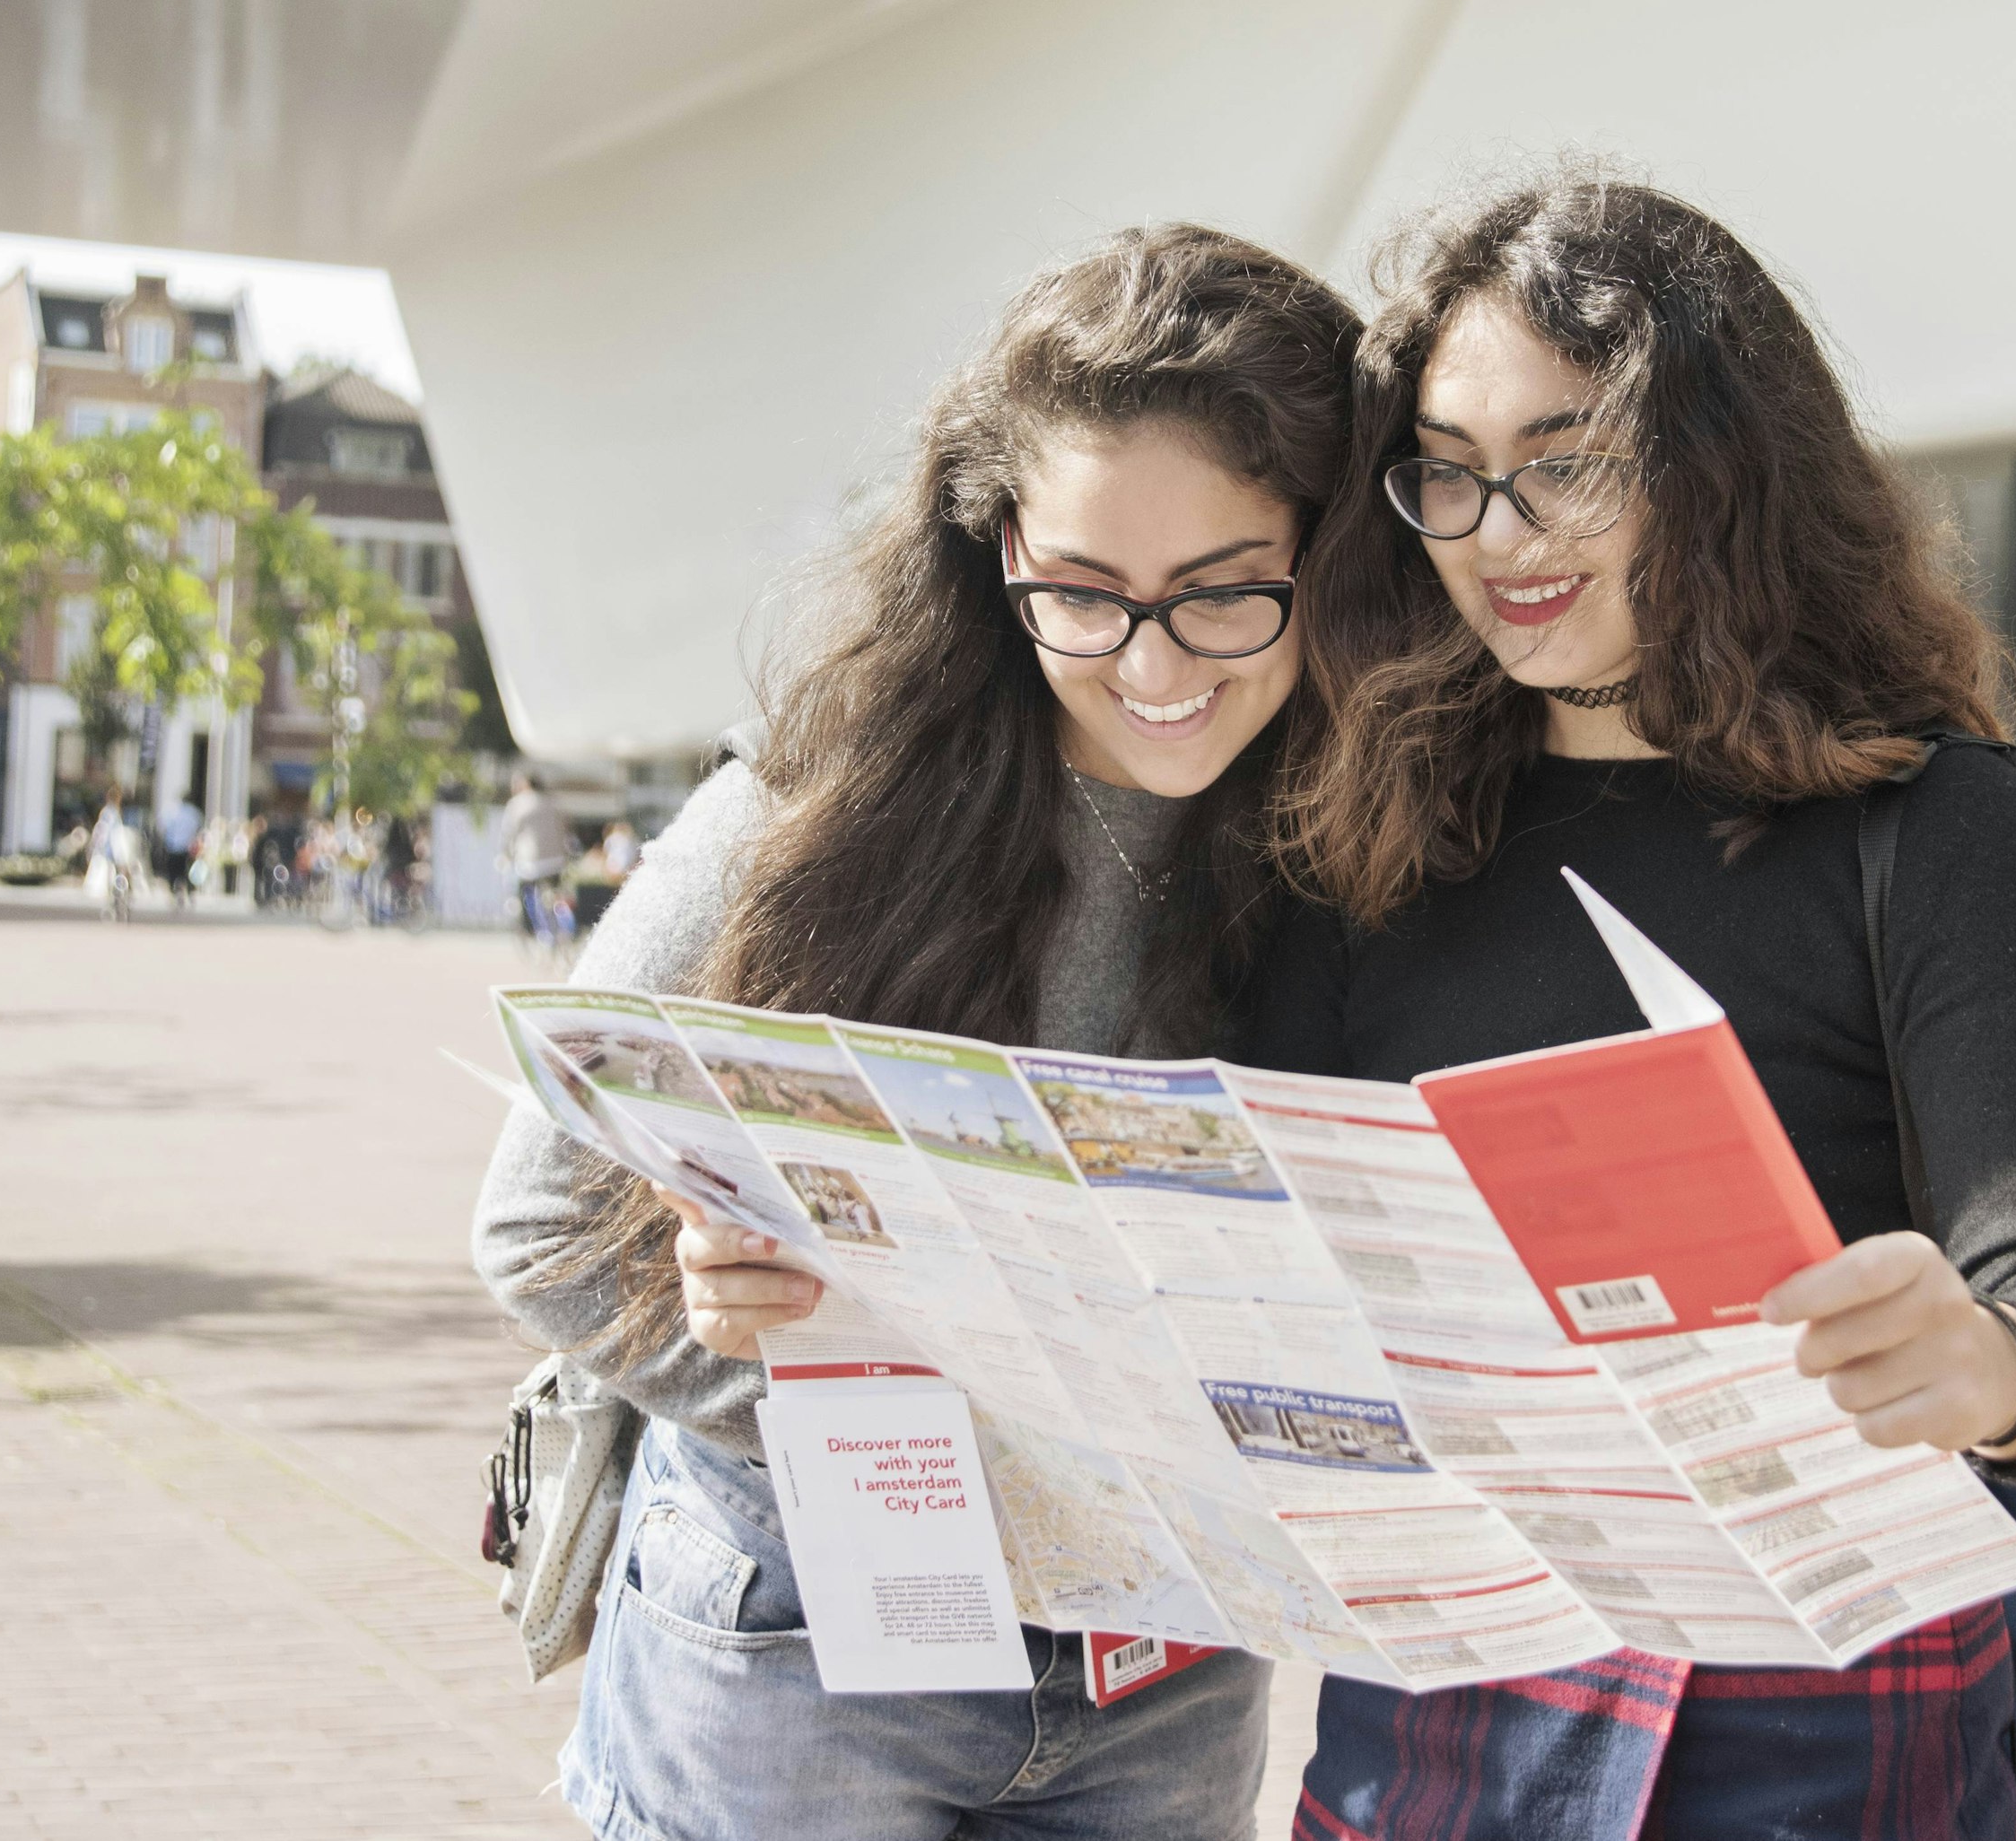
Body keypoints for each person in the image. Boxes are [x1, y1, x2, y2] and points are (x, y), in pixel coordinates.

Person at [1244, 172, 2016, 1841]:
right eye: (1450, 474)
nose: (1499, 535)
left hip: (1825, 1719)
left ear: (1717, 463)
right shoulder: (1367, 828)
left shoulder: (1929, 821)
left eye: (1565, 460)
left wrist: (1988, 1357)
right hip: (1442, 1717)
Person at [471, 225, 1362, 1841]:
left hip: (1170, 1661)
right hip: (800, 1635)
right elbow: (542, 1218)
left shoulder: (1366, 848)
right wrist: (825, 1385)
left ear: (1327, 555)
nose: (1151, 663)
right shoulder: (814, 806)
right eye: (1082, 593)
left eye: (1226, 593)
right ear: (997, 545)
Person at [499, 770, 571, 945]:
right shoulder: (553, 803)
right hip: (557, 860)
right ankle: (564, 926)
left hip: (531, 861)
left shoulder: (517, 804)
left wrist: (506, 855)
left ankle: (541, 932)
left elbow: (508, 834)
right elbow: (564, 830)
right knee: (555, 893)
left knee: (528, 894)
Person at [158, 792, 204, 908]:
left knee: (173, 872)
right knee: (186, 873)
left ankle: (174, 894)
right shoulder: (194, 813)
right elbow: (199, 828)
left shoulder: (173, 812)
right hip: (186, 848)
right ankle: (188, 893)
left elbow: (164, 827)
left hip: (173, 846)